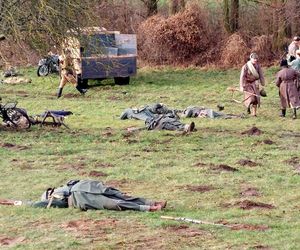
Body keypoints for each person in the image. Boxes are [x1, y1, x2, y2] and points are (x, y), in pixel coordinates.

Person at [0, 179, 167, 212]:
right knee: (114, 203)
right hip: (81, 199)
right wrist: (7, 202)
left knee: (122, 195)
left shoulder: (66, 185)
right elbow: (28, 203)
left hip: (87, 186)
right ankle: (149, 208)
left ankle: (152, 201)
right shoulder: (50, 202)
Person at [239, 52, 265, 117]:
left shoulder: (258, 66)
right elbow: (242, 77)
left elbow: (261, 74)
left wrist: (262, 83)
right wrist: (241, 86)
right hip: (247, 84)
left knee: (256, 99)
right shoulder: (245, 66)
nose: (255, 60)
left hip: (255, 84)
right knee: (251, 98)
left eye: (256, 59)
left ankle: (254, 113)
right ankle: (248, 107)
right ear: (251, 59)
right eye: (254, 59)